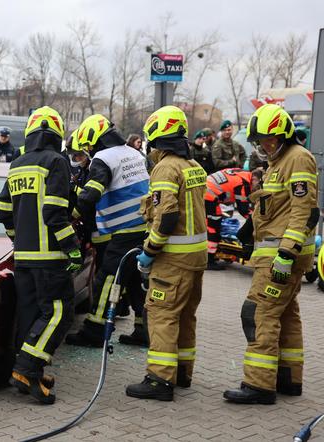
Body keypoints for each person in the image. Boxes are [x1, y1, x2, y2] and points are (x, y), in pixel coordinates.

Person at [223, 104, 318, 405]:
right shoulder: (278, 162)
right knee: (287, 315)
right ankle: (289, 379)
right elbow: (274, 209)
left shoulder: (298, 158)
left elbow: (305, 210)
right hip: (278, 252)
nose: (265, 145)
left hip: (283, 255)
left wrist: (286, 254)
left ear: (285, 135)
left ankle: (259, 385)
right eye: (261, 141)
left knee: (259, 312)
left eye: (270, 139)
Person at [0, 106, 81, 405]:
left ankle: (26, 372)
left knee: (32, 315)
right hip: (50, 259)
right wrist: (72, 248)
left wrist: (19, 241)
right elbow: (55, 213)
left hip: (24, 259)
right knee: (59, 313)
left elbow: (2, 211)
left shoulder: (17, 163)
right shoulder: (56, 161)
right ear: (57, 135)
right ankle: (28, 369)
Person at [125, 105, 207, 401]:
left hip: (172, 260)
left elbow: (168, 216)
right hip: (196, 260)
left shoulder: (165, 168)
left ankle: (159, 380)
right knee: (185, 316)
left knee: (162, 316)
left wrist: (149, 250)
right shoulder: (193, 167)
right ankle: (182, 372)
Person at [65, 114, 150, 348]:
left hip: (123, 230)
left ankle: (94, 330)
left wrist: (68, 215)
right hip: (143, 228)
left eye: (87, 147)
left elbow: (91, 193)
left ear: (94, 141)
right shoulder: (134, 154)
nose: (88, 151)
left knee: (106, 281)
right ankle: (144, 330)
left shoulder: (103, 158)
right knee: (134, 281)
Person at [204, 168, 253, 270]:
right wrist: (254, 219)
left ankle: (209, 255)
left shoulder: (240, 173)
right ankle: (209, 261)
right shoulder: (243, 182)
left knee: (209, 225)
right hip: (209, 196)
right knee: (213, 228)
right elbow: (243, 209)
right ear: (255, 179)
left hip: (206, 191)